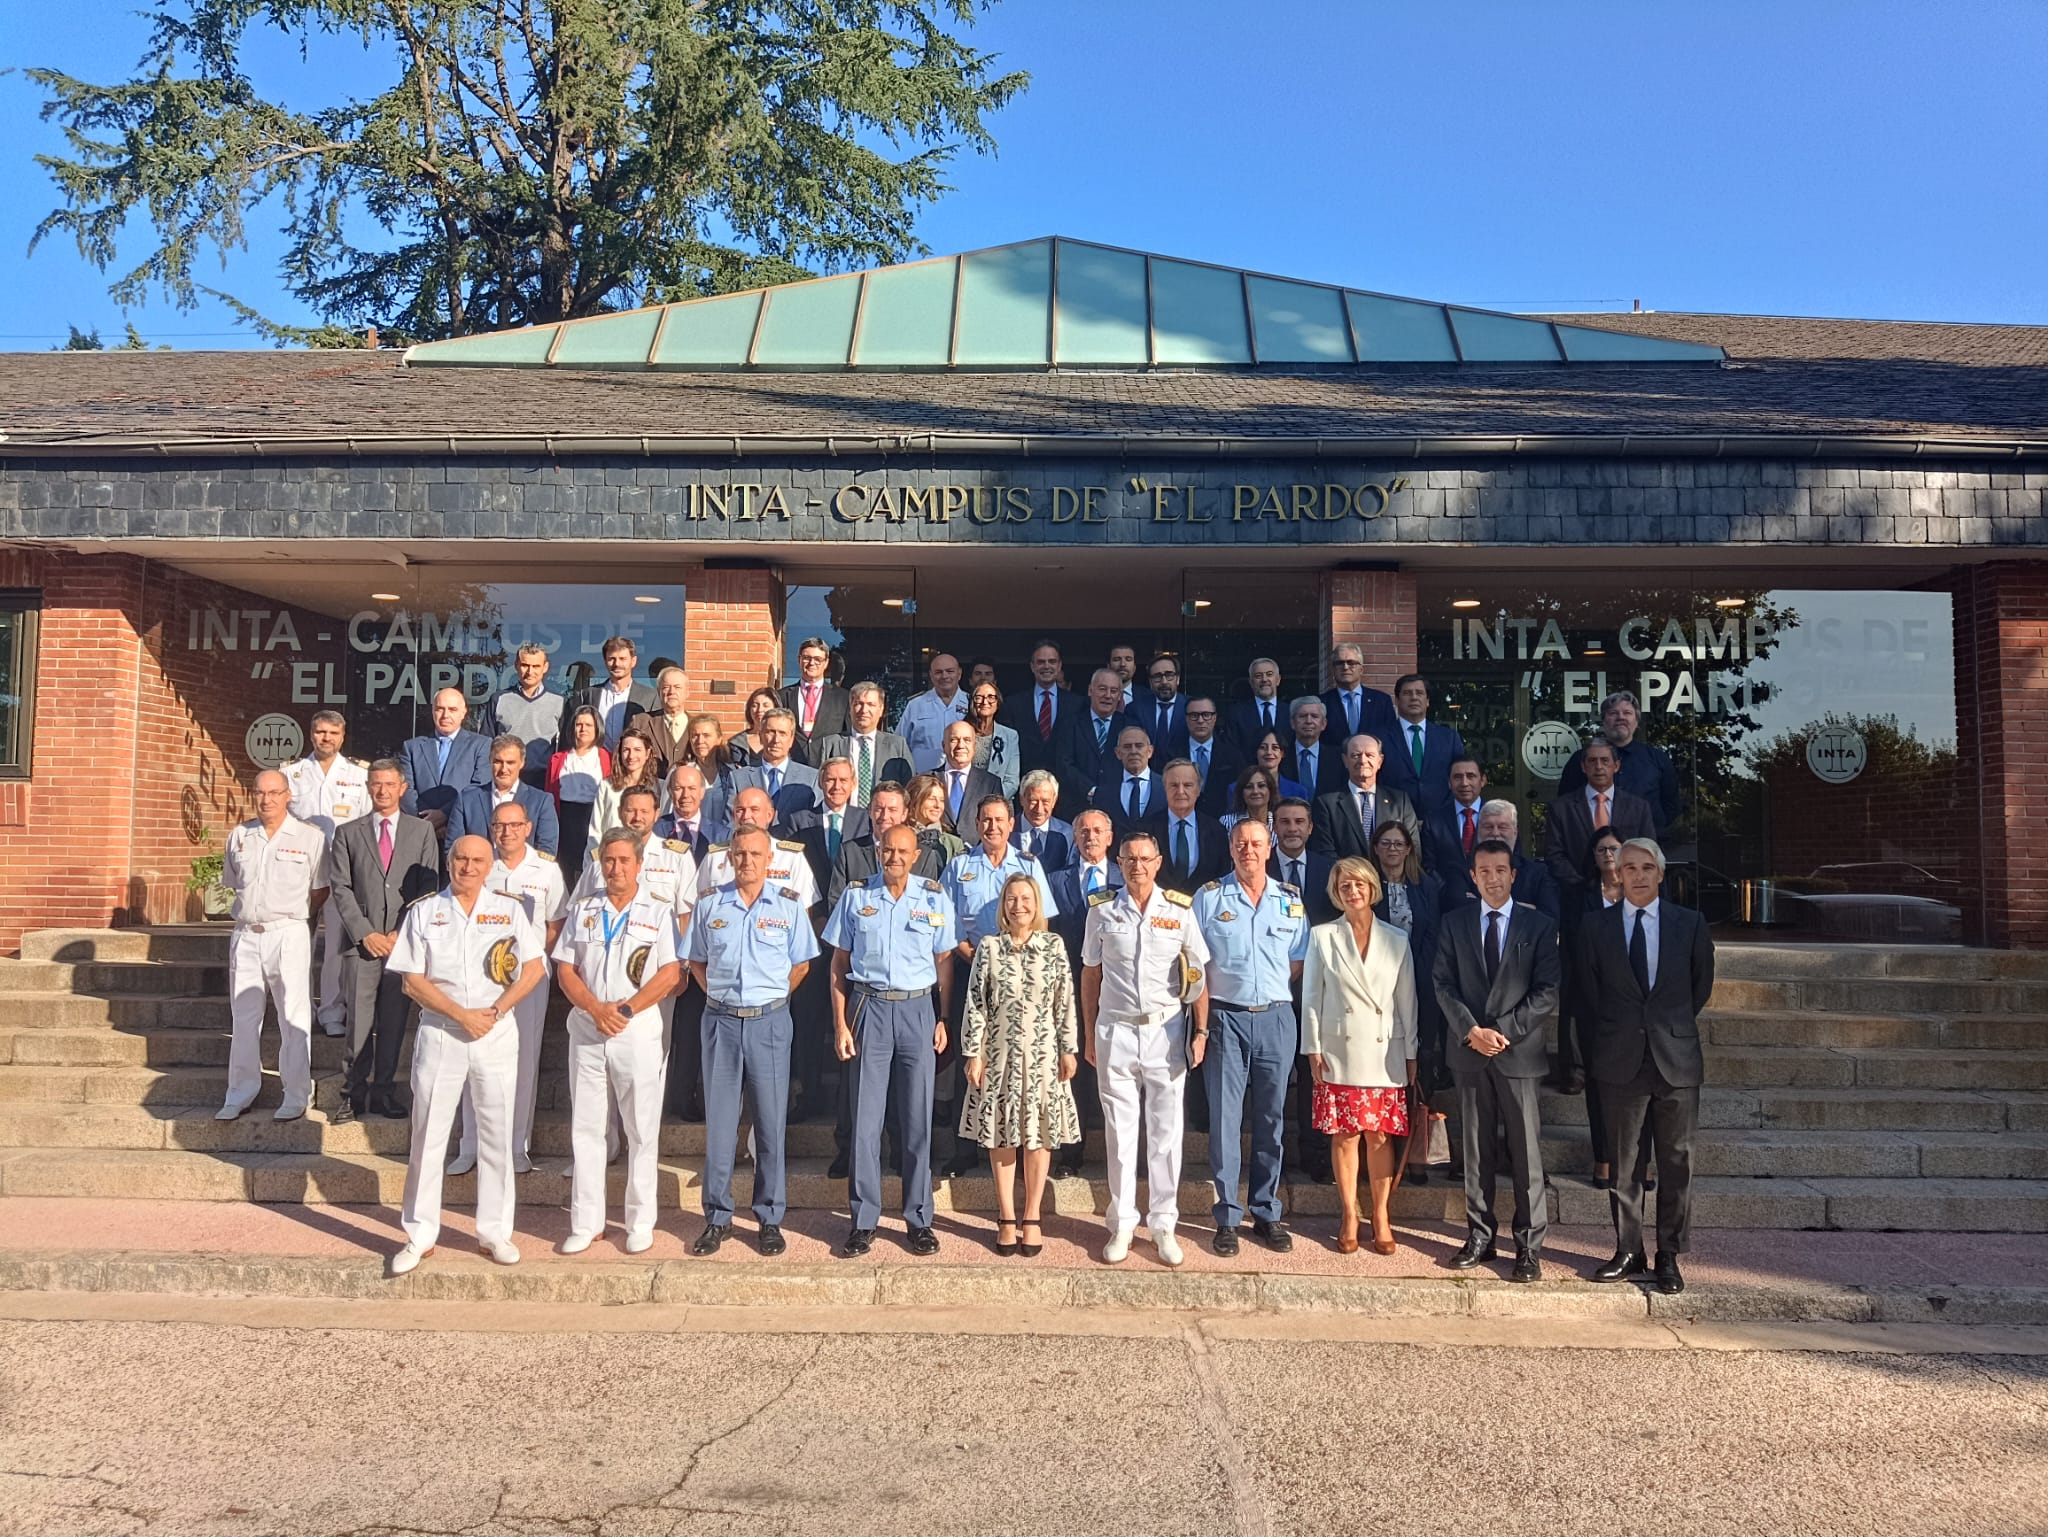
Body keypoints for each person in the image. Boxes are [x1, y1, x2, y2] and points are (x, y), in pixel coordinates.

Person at [384, 834, 546, 1276]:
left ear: (490, 864)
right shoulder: (424, 911)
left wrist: (495, 1010)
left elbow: (533, 968)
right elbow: (411, 981)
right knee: (428, 1135)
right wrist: (460, 1014)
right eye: (461, 859)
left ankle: (494, 1232)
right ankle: (419, 1233)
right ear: (449, 861)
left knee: (496, 1136)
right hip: (441, 1033)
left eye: (477, 860)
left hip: (494, 1033)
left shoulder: (510, 909)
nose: (468, 867)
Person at [1579, 837, 1715, 1296]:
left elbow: (1699, 988)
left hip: (1674, 1059)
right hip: (1620, 1060)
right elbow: (1590, 992)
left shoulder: (1689, 924)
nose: (1636, 874)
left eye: (1645, 867)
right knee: (1624, 1163)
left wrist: (1665, 1029)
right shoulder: (1595, 927)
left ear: (1660, 873)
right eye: (1628, 867)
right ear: (1617, 873)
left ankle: (1669, 1254)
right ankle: (1629, 1248)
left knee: (1677, 1161)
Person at [824, 823, 959, 1256]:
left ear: (916, 854)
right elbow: (838, 963)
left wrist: (942, 1017)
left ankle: (918, 1218)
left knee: (916, 1118)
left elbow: (944, 962)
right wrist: (842, 1024)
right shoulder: (857, 895)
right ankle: (863, 1220)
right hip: (870, 1008)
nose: (894, 857)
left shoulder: (935, 897)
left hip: (919, 1009)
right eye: (887, 850)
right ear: (879, 852)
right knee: (866, 1120)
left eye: (902, 851)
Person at [686, 824, 818, 1255]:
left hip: (770, 1023)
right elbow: (697, 962)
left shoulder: (789, 906)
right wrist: (721, 999)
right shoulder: (710, 905)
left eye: (755, 855)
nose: (746, 861)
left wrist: (772, 999)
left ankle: (769, 1216)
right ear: (730, 858)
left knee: (770, 1122)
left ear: (769, 860)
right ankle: (717, 1217)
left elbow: (801, 965)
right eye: (739, 854)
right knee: (721, 1125)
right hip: (721, 1022)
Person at [1433, 838, 1561, 1283]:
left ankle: (1528, 1246)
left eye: (1500, 870)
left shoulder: (1538, 925)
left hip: (1517, 1054)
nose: (1492, 878)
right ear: (1473, 876)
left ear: (1513, 874)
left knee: (1525, 1153)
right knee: (1475, 1149)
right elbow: (1443, 984)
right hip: (1469, 1053)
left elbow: (1547, 990)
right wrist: (1471, 1030)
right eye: (1483, 871)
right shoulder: (1453, 922)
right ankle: (1480, 1236)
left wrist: (1502, 1031)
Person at [1081, 831, 1210, 1267]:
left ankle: (1163, 1224)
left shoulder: (1179, 910)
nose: (1137, 866)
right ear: (1119, 863)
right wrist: (1087, 1032)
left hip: (1165, 1031)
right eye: (1129, 859)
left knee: (1166, 1135)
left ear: (1157, 863)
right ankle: (1121, 1223)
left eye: (1145, 858)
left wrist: (1201, 1031)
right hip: (1115, 1030)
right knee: (1119, 1135)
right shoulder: (1101, 912)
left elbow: (1197, 974)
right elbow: (1090, 975)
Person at [553, 826, 685, 1255]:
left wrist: (625, 1010)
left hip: (636, 1031)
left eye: (624, 860)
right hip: (589, 1031)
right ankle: (586, 1221)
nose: (615, 868)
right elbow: (566, 970)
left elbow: (670, 973)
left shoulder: (659, 911)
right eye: (609, 860)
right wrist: (596, 1010)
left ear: (639, 865)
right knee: (588, 1128)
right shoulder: (584, 909)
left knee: (641, 1129)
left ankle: (640, 1220)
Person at [1193, 819, 1309, 1256]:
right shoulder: (1208, 898)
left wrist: (1269, 993)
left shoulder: (1290, 901)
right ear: (1230, 848)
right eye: (1241, 844)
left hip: (1277, 1018)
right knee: (1225, 1120)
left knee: (1271, 1120)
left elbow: (1296, 960)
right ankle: (1226, 1215)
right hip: (1226, 1019)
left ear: (1270, 847)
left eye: (1257, 844)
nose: (1249, 851)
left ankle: (1265, 1211)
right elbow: (1197, 965)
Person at [959, 872, 1080, 1257]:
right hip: (1000, 1054)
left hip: (1043, 1055)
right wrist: (972, 1052)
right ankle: (1006, 1215)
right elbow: (976, 1002)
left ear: (1037, 903)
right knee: (1003, 1134)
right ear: (1003, 905)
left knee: (1038, 1133)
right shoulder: (989, 948)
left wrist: (1068, 1048)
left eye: (1026, 898)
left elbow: (1065, 1000)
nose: (1019, 906)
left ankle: (1032, 1216)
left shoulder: (1053, 945)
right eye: (1011, 899)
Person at [1301, 857, 1416, 1255]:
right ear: (1336, 891)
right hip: (1339, 1048)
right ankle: (1349, 1213)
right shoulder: (1322, 936)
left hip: (1386, 1049)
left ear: (1372, 888)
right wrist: (1312, 1047)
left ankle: (1381, 1215)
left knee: (1379, 1137)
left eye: (1359, 885)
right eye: (1345, 885)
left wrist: (1413, 1051)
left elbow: (1407, 1001)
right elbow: (1312, 997)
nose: (1353, 891)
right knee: (1346, 1135)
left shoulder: (1396, 939)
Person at [940, 794, 1059, 1176]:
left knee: (1021, 1062)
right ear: (976, 824)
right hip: (969, 970)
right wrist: (972, 955)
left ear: (1012, 824)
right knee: (971, 1058)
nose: (992, 827)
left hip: (1022, 980)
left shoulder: (1028, 865)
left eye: (999, 820)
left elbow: (1041, 919)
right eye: (985, 820)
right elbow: (945, 921)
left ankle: (1021, 1145)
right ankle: (966, 1148)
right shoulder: (959, 867)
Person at [324, 760, 440, 1124]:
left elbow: (428, 887)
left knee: (393, 1021)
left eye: (390, 784)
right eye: (376, 784)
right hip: (363, 945)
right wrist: (366, 933)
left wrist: (400, 933)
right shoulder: (348, 832)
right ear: (368, 787)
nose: (383, 791)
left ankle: (385, 1090)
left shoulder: (421, 831)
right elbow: (340, 887)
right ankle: (352, 1093)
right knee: (359, 1022)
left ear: (402, 787)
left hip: (402, 945)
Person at [460, 800, 568, 1175]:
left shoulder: (547, 870)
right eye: (499, 825)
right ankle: (470, 1145)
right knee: (472, 1059)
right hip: (480, 981)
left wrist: (537, 965)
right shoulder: (479, 865)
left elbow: (555, 923)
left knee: (524, 1062)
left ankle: (516, 1146)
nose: (506, 832)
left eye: (513, 825)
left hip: (526, 980)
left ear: (527, 828)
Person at [215, 770, 329, 1123]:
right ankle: (240, 1091)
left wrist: (297, 921)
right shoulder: (239, 836)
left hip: (288, 931)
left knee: (293, 1016)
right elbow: (235, 882)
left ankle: (296, 1093)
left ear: (287, 795)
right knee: (245, 1017)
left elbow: (320, 888)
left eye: (274, 793)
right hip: (247, 934)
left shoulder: (310, 837)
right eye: (260, 793)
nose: (266, 800)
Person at [1565, 826, 1651, 1189]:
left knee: (1645, 1090)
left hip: (1642, 1013)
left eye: (1614, 849)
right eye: (1601, 850)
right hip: (1596, 1010)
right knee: (1600, 1089)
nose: (1608, 856)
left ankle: (1641, 1164)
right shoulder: (1580, 898)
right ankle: (1603, 1159)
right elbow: (1574, 955)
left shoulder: (1643, 895)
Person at [784, 757, 867, 1118]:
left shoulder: (867, 821)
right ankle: (810, 1093)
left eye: (842, 779)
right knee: (810, 1015)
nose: (836, 786)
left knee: (854, 1017)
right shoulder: (798, 822)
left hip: (857, 940)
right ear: (820, 781)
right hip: (812, 935)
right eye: (829, 779)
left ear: (853, 783)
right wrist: (815, 918)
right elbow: (791, 876)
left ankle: (851, 1100)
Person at [282, 710, 369, 1038]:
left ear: (342, 736)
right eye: (320, 732)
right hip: (298, 872)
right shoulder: (291, 775)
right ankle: (298, 1010)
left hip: (340, 870)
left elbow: (364, 827)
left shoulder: (359, 776)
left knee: (335, 944)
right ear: (311, 733)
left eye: (333, 733)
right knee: (297, 943)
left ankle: (332, 1009)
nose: (326, 738)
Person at [1044, 808, 1119, 1177]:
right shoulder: (1055, 880)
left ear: (1110, 836)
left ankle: (1117, 1155)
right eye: (1084, 830)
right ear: (1075, 837)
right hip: (1067, 983)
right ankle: (1072, 1154)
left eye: (1097, 830)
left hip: (1117, 986)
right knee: (1073, 1068)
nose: (1091, 836)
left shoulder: (1125, 878)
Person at [1371, 819, 1446, 1110]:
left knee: (1422, 1050)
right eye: (1386, 843)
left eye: (1398, 843)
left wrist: (1417, 976)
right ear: (1376, 848)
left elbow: (1432, 933)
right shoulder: (1368, 885)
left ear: (1408, 849)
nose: (1392, 849)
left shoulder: (1425, 885)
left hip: (1419, 978)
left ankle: (1419, 1115)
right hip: (1377, 983)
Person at [1557, 690, 1683, 836]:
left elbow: (1672, 806)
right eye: (1613, 713)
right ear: (1604, 721)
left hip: (1643, 848)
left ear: (1636, 721)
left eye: (1627, 713)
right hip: (1590, 849)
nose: (1620, 717)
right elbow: (1565, 804)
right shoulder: (1581, 759)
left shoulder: (1657, 759)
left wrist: (1652, 830)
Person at [1547, 736, 1657, 902]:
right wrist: (1584, 886)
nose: (1598, 767)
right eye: (1592, 761)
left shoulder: (1638, 807)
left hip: (1627, 895)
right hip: (1578, 898)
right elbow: (1554, 855)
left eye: (1605, 761)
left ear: (1616, 766)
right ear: (1583, 767)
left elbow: (1647, 851)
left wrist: (1626, 883)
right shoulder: (1561, 808)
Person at [693, 786, 817, 910]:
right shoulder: (715, 856)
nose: (746, 816)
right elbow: (696, 903)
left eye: (754, 809)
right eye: (740, 810)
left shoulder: (791, 857)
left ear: (769, 815)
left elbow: (804, 909)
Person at [1440, 801, 1561, 921]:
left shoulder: (1538, 873)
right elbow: (1454, 910)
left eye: (1503, 827)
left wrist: (1478, 903)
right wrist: (1528, 908)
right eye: (1488, 827)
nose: (1495, 833)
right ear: (1478, 832)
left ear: (1515, 832)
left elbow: (1549, 918)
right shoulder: (1459, 870)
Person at [445, 733, 561, 856]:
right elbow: (453, 849)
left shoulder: (541, 802)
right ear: (490, 760)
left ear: (522, 763)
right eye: (498, 762)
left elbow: (546, 851)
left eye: (510, 762)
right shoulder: (467, 800)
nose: (503, 769)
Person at [1311, 734, 1422, 861]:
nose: (1363, 760)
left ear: (1380, 761)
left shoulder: (1400, 801)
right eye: (1355, 755)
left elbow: (1413, 847)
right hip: (1349, 879)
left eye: (1370, 755)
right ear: (1345, 760)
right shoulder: (1326, 804)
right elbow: (1325, 853)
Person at [399, 687, 491, 835]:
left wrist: (445, 815)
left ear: (463, 712)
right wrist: (426, 821)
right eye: (440, 709)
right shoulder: (412, 747)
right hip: (420, 829)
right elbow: (404, 789)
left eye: (452, 709)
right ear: (432, 711)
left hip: (462, 829)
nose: (445, 715)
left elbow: (478, 788)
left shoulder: (481, 745)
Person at [1378, 674, 1465, 828]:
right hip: (1393, 821)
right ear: (1397, 701)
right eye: (1407, 693)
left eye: (1419, 693)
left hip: (1441, 821)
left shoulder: (1448, 737)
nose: (1413, 698)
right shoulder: (1379, 738)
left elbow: (1459, 777)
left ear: (1428, 701)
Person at [815, 681, 914, 806]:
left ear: (881, 709)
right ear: (850, 708)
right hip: (845, 818)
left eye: (871, 704)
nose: (864, 710)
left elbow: (908, 789)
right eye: (858, 704)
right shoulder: (831, 744)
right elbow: (821, 787)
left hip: (885, 818)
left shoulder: (897, 745)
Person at [1050, 668, 1131, 820]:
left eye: (1113, 691)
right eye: (1102, 689)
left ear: (1119, 696)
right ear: (1090, 690)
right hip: (1076, 806)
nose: (1108, 695)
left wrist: (1109, 793)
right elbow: (1063, 764)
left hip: (1117, 807)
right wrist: (1090, 790)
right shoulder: (1070, 723)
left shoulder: (1129, 726)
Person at [1140, 759, 1230, 895]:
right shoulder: (1145, 829)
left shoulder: (1217, 831)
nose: (1180, 791)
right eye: (1174, 785)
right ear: (1165, 788)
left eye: (1188, 785)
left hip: (1202, 908)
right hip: (1159, 911)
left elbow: (1223, 877)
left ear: (1198, 790)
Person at [547, 703, 610, 884]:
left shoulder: (607, 758)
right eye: (579, 724)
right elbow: (549, 793)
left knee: (592, 868)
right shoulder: (558, 759)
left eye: (588, 725)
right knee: (565, 871)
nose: (583, 729)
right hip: (565, 819)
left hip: (593, 818)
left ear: (597, 728)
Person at [726, 708, 820, 825]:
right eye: (770, 732)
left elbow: (815, 823)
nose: (776, 740)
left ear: (791, 740)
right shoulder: (738, 778)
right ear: (760, 736)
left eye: (782, 733)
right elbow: (730, 823)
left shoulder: (811, 778)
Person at [561, 634, 655, 751]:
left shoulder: (650, 698)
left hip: (632, 764)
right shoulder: (587, 696)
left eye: (622, 659)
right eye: (612, 659)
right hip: (594, 765)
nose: (617, 664)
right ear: (605, 661)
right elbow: (569, 736)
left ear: (633, 661)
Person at [491, 642, 564, 788]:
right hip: (506, 777)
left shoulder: (559, 702)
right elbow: (487, 742)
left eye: (536, 666)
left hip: (543, 780)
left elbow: (564, 748)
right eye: (525, 665)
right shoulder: (499, 699)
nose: (530, 671)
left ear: (545, 667)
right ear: (517, 665)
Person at [586, 723, 666, 857]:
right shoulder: (607, 786)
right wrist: (595, 865)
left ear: (648, 753)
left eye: (637, 750)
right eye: (626, 750)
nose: (631, 755)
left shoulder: (660, 787)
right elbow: (595, 831)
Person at [998, 639, 1075, 776]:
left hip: (1066, 786)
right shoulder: (1013, 704)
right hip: (1025, 784)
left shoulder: (1077, 704)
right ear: (1032, 667)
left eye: (1052, 661)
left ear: (1059, 666)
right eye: (1041, 662)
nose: (1046, 666)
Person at [1319, 643, 1401, 751]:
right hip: (1334, 765)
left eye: (1351, 663)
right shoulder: (1322, 702)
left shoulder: (1381, 701)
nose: (1345, 667)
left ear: (1361, 669)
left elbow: (1390, 738)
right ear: (1333, 669)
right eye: (1339, 663)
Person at [897, 652, 970, 773]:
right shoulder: (916, 705)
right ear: (931, 675)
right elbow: (899, 745)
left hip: (962, 779)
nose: (944, 676)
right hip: (923, 781)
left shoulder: (971, 703)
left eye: (950, 671)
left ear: (959, 673)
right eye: (938, 672)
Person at [780, 635, 851, 756]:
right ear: (799, 659)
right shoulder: (782, 696)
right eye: (806, 658)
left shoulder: (843, 698)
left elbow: (847, 735)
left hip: (828, 765)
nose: (812, 663)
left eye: (818, 659)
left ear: (826, 662)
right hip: (792, 765)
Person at [935, 719, 1004, 838]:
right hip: (936, 852)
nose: (960, 745)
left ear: (974, 746)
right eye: (953, 740)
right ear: (943, 746)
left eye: (967, 740)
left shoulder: (991, 783)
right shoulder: (927, 779)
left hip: (977, 853)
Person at [1426, 756, 1491, 881]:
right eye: (1457, 777)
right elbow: (1429, 866)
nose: (1464, 783)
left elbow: (1512, 860)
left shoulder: (1499, 818)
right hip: (1448, 896)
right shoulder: (1433, 821)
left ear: (1483, 780)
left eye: (1471, 776)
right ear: (1449, 783)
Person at [1095, 723, 1163, 839]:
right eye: (1127, 747)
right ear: (1118, 753)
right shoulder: (1104, 791)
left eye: (1139, 746)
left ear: (1150, 751)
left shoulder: (1166, 787)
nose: (1133, 751)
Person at [1182, 696, 1242, 818]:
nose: (1200, 720)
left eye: (1206, 715)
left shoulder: (1232, 754)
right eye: (1194, 715)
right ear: (1186, 719)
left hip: (1222, 821)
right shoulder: (1171, 754)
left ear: (1214, 718)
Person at [655, 761, 726, 860]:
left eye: (692, 788)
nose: (685, 795)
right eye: (678, 788)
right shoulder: (654, 831)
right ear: (670, 792)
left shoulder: (721, 835)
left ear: (702, 792)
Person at [966, 680, 1021, 801]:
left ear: (998, 702)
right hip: (965, 805)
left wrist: (989, 801)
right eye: (979, 697)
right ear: (972, 701)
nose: (985, 702)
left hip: (999, 804)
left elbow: (1012, 781)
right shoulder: (961, 731)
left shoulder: (1010, 736)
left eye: (991, 697)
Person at [1011, 769, 1073, 870]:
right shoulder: (1006, 830)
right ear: (1022, 799)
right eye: (1033, 801)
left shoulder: (1068, 834)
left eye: (1045, 802)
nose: (1039, 809)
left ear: (1054, 801)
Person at [1286, 697, 1346, 799]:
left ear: (1323, 724)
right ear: (1292, 723)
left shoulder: (1338, 758)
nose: (1309, 721)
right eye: (1302, 716)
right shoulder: (1282, 756)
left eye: (1314, 716)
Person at [640, 666, 694, 776]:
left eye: (677, 687)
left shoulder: (697, 726)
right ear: (658, 692)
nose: (671, 692)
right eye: (666, 687)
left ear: (687, 692)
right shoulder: (641, 722)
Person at [1225, 656, 1287, 752]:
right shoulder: (1237, 713)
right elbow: (1233, 749)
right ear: (1251, 682)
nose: (1264, 679)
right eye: (1258, 676)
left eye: (1269, 674)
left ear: (1278, 680)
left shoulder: (1292, 712)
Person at [1134, 654, 1189, 759]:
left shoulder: (1192, 707)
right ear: (1150, 682)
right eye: (1157, 677)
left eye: (1169, 675)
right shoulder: (1136, 709)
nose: (1164, 682)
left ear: (1177, 679)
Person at [905, 773, 967, 865]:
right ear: (915, 800)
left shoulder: (953, 844)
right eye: (931, 799)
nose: (938, 805)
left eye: (941, 800)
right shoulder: (900, 837)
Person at [724, 686, 786, 770]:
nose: (760, 709)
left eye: (765, 705)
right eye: (755, 705)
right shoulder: (737, 743)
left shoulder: (785, 739)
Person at [1249, 728, 1311, 803]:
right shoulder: (1237, 789)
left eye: (1275, 748)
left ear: (1282, 753)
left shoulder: (1298, 791)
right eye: (1263, 747)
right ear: (1256, 752)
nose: (1269, 752)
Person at [1222, 765, 1279, 835]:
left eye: (1261, 786)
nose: (1255, 791)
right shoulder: (1226, 822)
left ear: (1270, 790)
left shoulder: (1279, 822)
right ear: (1241, 792)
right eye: (1249, 787)